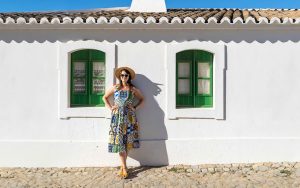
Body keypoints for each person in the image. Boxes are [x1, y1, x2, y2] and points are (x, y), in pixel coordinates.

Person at [102, 66, 145, 179]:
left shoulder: (132, 89)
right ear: (119, 77)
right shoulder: (115, 88)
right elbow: (105, 97)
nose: (124, 77)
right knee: (119, 141)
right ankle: (125, 168)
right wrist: (111, 107)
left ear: (129, 77)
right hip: (117, 118)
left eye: (126, 75)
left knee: (127, 142)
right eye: (122, 75)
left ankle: (123, 166)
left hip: (130, 118)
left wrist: (135, 108)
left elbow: (143, 99)